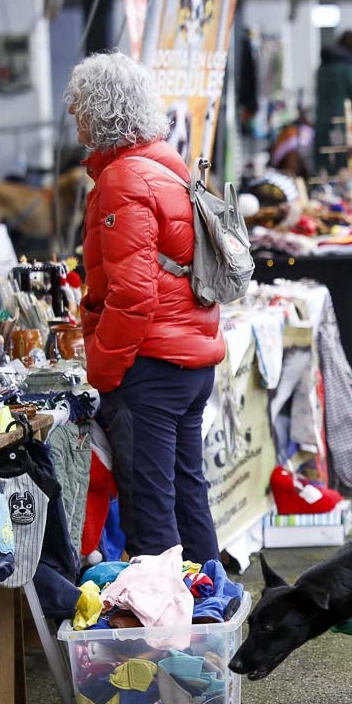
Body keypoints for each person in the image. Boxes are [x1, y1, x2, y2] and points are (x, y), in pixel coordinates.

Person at [66, 52, 226, 563]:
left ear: (99, 111)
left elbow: (133, 293)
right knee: (187, 496)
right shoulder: (166, 167)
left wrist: (106, 369)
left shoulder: (122, 180)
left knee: (151, 514)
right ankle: (209, 609)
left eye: (79, 108)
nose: (74, 119)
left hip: (152, 367)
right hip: (188, 358)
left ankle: (163, 638)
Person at [314, 30, 352, 174]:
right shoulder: (348, 68)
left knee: (326, 168)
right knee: (348, 169)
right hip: (346, 126)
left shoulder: (323, 67)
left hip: (323, 124)